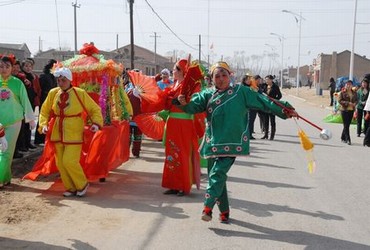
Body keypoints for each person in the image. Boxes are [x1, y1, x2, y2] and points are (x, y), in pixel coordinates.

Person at [176, 61, 296, 223]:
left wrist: (285, 109)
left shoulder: (241, 92)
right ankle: (224, 211)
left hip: (232, 142)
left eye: (224, 75)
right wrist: (183, 102)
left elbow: (263, 101)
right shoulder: (207, 94)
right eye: (216, 76)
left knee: (217, 174)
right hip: (213, 142)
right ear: (211, 79)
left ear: (230, 76)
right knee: (217, 177)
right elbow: (193, 107)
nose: (221, 79)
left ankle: (207, 208)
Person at [38, 67, 103, 197]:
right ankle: (70, 187)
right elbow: (44, 110)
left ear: (70, 80)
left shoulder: (80, 93)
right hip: (57, 132)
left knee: (69, 161)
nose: (61, 83)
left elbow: (94, 109)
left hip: (74, 132)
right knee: (60, 163)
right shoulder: (53, 93)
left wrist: (96, 123)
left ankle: (82, 184)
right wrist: (43, 124)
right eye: (59, 80)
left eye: (63, 80)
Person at [145, 59, 204, 197]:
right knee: (171, 153)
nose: (173, 71)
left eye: (175, 69)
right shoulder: (174, 85)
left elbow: (195, 104)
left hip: (184, 125)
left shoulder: (189, 86)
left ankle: (183, 185)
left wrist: (184, 101)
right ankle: (172, 184)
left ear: (183, 71)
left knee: (182, 153)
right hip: (172, 123)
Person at [0, 55, 36, 188]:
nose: (3, 69)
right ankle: (6, 177)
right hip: (0, 123)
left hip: (14, 121)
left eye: (7, 66)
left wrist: (30, 118)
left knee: (6, 151)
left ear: (12, 68)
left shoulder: (17, 83)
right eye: (1, 66)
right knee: (5, 153)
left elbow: (25, 101)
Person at [34, 59, 57, 145]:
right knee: (42, 117)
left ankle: (44, 138)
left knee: (48, 118)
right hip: (44, 98)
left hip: (52, 99)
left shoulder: (53, 76)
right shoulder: (43, 76)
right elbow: (41, 89)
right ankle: (38, 139)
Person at [261, 75, 282, 140]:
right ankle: (266, 134)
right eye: (265, 79)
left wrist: (274, 100)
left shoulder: (275, 87)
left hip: (272, 106)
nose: (266, 81)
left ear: (271, 80)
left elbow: (279, 95)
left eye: (267, 79)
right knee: (265, 121)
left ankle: (272, 135)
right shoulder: (264, 86)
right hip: (265, 105)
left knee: (272, 121)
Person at [338, 80, 358, 145]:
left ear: (352, 85)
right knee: (346, 125)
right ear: (345, 85)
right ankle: (348, 139)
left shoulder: (354, 92)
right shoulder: (342, 92)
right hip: (344, 110)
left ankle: (342, 137)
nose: (348, 86)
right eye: (347, 84)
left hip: (351, 110)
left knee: (347, 125)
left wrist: (355, 103)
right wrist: (348, 103)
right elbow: (340, 101)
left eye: (350, 84)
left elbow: (356, 100)